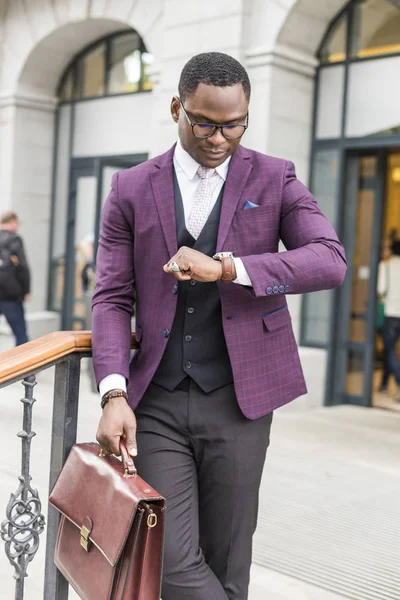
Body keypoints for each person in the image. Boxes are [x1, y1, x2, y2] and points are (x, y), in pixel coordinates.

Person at [92, 52, 347, 600]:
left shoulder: (275, 177)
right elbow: (111, 296)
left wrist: (230, 268)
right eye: (204, 122)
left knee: (230, 560)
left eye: (234, 124)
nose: (218, 137)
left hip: (241, 398)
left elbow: (330, 260)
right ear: (176, 108)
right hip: (156, 401)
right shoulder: (132, 188)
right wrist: (113, 391)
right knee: (169, 558)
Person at [0, 211, 30, 346]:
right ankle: (22, 366)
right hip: (10, 294)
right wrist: (26, 290)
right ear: (12, 221)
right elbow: (23, 267)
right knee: (21, 334)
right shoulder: (14, 239)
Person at [378, 240, 400, 402]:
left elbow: (380, 290)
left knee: (389, 349)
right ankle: (384, 384)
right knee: (390, 350)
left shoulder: (385, 266)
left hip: (391, 313)